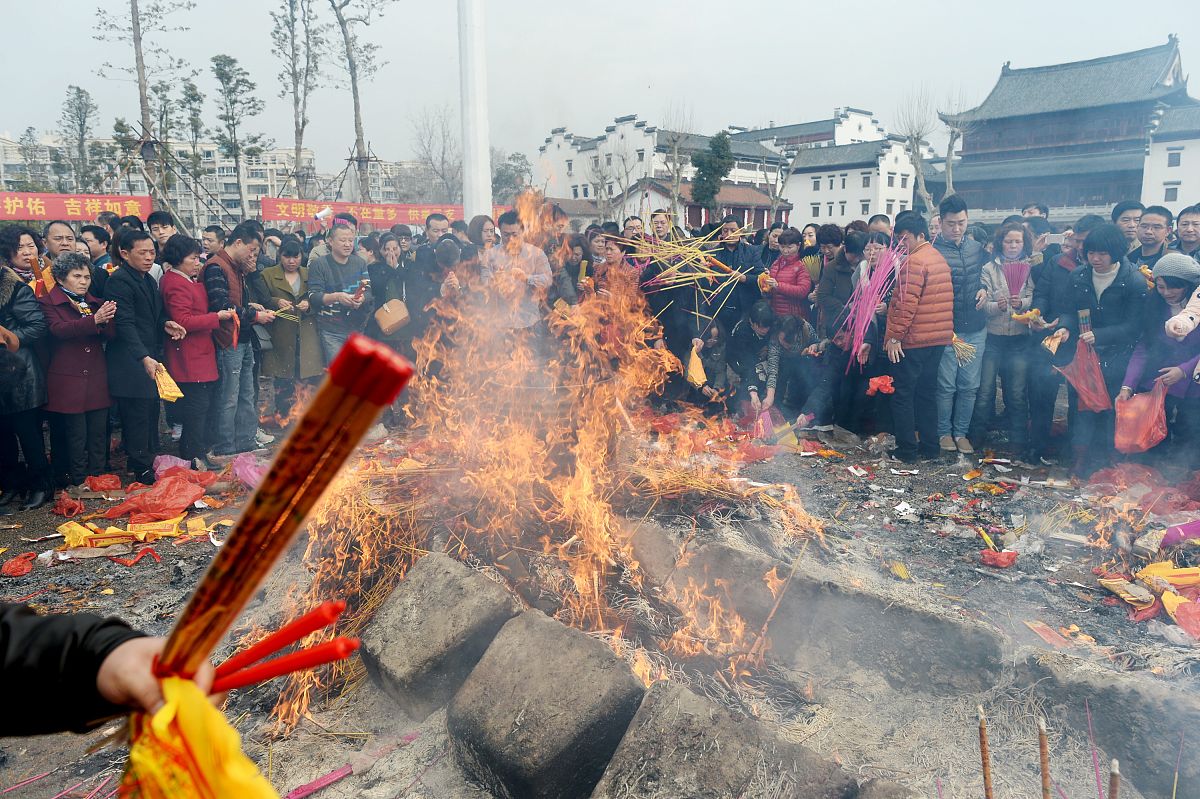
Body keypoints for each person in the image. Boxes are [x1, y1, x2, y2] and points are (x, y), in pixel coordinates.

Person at [1057, 223, 1148, 476]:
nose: (1095, 259)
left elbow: (1134, 326)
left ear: (1116, 253)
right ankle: (1080, 459)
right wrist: (1065, 327)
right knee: (1081, 408)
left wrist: (1101, 335)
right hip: (1085, 355)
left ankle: (1111, 461)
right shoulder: (1078, 276)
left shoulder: (1133, 281)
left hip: (1118, 355)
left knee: (1111, 410)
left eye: (1102, 254)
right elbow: (1069, 310)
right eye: (1091, 253)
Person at [105, 229, 185, 484]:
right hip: (130, 360)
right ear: (124, 253)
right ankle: (140, 467)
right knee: (137, 414)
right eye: (143, 253)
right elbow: (125, 323)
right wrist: (142, 357)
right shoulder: (119, 281)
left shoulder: (148, 279)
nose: (149, 257)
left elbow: (152, 314)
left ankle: (147, 460)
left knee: (151, 411)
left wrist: (166, 323)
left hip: (148, 355)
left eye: (152, 252)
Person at [39, 252, 116, 489]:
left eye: (87, 276)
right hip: (68, 377)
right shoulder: (48, 302)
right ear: (61, 278)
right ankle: (79, 478)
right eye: (77, 276)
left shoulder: (93, 302)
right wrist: (94, 321)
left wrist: (106, 320)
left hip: (95, 373)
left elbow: (110, 335)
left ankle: (99, 475)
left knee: (98, 430)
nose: (84, 281)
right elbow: (58, 329)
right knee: (76, 433)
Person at [884, 213, 954, 463]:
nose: (902, 245)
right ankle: (930, 447)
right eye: (899, 241)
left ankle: (906, 450)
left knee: (903, 394)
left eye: (906, 240)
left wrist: (894, 337)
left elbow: (906, 304)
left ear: (921, 236)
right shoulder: (937, 258)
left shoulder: (914, 262)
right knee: (926, 393)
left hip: (914, 340)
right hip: (937, 339)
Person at [1120, 253, 1200, 469]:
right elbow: (1143, 348)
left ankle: (1186, 486)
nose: (1167, 293)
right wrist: (1128, 385)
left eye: (1174, 287)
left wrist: (1183, 370)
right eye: (1161, 287)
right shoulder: (1153, 306)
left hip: (1194, 385)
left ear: (1189, 285)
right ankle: (1152, 484)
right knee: (1153, 438)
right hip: (1159, 383)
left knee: (1190, 436)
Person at [161, 235, 232, 470]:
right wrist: (216, 317)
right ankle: (193, 457)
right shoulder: (174, 282)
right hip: (189, 356)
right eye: (193, 257)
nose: (197, 261)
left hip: (200, 353)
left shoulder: (185, 279)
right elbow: (182, 320)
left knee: (202, 407)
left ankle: (200, 452)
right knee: (196, 409)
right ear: (179, 258)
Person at [203, 222, 274, 457]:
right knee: (229, 396)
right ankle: (226, 448)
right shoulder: (216, 266)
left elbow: (236, 302)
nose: (253, 256)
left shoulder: (236, 267)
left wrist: (249, 306)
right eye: (251, 250)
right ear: (239, 242)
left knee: (247, 394)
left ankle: (246, 443)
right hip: (227, 341)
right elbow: (221, 305)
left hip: (242, 339)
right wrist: (255, 315)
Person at [971, 222, 1034, 458]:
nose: (1013, 245)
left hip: (1019, 339)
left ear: (1024, 243)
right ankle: (977, 436)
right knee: (985, 390)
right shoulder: (989, 268)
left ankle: (1018, 440)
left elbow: (1034, 298)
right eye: (1008, 241)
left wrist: (1024, 304)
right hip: (993, 338)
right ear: (1001, 243)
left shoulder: (1030, 268)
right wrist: (996, 306)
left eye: (1017, 241)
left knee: (1016, 392)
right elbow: (982, 305)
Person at [932, 194, 989, 455]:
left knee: (969, 385)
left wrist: (985, 290)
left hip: (975, 327)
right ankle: (943, 431)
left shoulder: (977, 249)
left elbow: (988, 278)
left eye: (962, 223)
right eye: (951, 224)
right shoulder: (932, 251)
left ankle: (961, 433)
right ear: (940, 222)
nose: (956, 229)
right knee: (946, 384)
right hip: (946, 328)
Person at [0, 234, 52, 511]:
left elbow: (37, 326)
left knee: (28, 434)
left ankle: (41, 485)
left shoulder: (14, 289)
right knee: (3, 435)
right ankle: (11, 484)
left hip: (19, 372)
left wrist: (6, 337)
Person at [259, 239, 322, 421]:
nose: (292, 261)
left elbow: (318, 298)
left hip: (307, 332)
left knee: (308, 373)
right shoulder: (268, 274)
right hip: (281, 331)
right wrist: (275, 301)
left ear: (302, 257)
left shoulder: (309, 274)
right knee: (283, 375)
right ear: (280, 256)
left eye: (296, 257)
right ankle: (283, 415)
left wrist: (309, 304)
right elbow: (261, 299)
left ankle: (307, 413)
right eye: (287, 257)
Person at [308, 223, 372, 363]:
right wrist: (337, 297)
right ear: (330, 241)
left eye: (350, 240)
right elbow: (314, 296)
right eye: (343, 240)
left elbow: (368, 292)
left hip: (356, 327)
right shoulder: (319, 264)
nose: (348, 244)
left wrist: (360, 299)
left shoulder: (360, 263)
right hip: (331, 330)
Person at [484, 210, 552, 331]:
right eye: (506, 235)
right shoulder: (490, 255)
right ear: (499, 232)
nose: (510, 239)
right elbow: (482, 284)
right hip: (501, 323)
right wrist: (494, 281)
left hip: (529, 321)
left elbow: (548, 280)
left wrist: (527, 278)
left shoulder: (536, 254)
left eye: (514, 234)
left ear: (522, 232)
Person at [709, 215, 764, 332]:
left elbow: (761, 278)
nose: (729, 234)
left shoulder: (752, 251)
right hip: (720, 309)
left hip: (745, 309)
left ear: (741, 231)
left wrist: (744, 278)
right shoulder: (712, 253)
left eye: (733, 230)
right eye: (725, 230)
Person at [729, 301, 779, 416]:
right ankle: (744, 409)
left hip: (762, 359)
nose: (765, 330)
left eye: (767, 327)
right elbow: (748, 364)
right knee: (749, 383)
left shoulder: (773, 325)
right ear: (752, 322)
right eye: (761, 327)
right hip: (738, 360)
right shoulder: (742, 331)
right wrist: (753, 393)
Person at [763, 228, 813, 323]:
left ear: (798, 246)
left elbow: (802, 291)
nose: (785, 251)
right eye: (782, 247)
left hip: (794, 318)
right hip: (775, 315)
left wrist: (778, 286)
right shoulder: (776, 264)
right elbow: (770, 290)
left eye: (789, 247)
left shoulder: (802, 265)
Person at [1129, 205, 1173, 270]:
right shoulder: (1129, 258)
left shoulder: (1172, 261)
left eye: (1156, 227)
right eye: (1144, 226)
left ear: (1168, 231)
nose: (1148, 231)